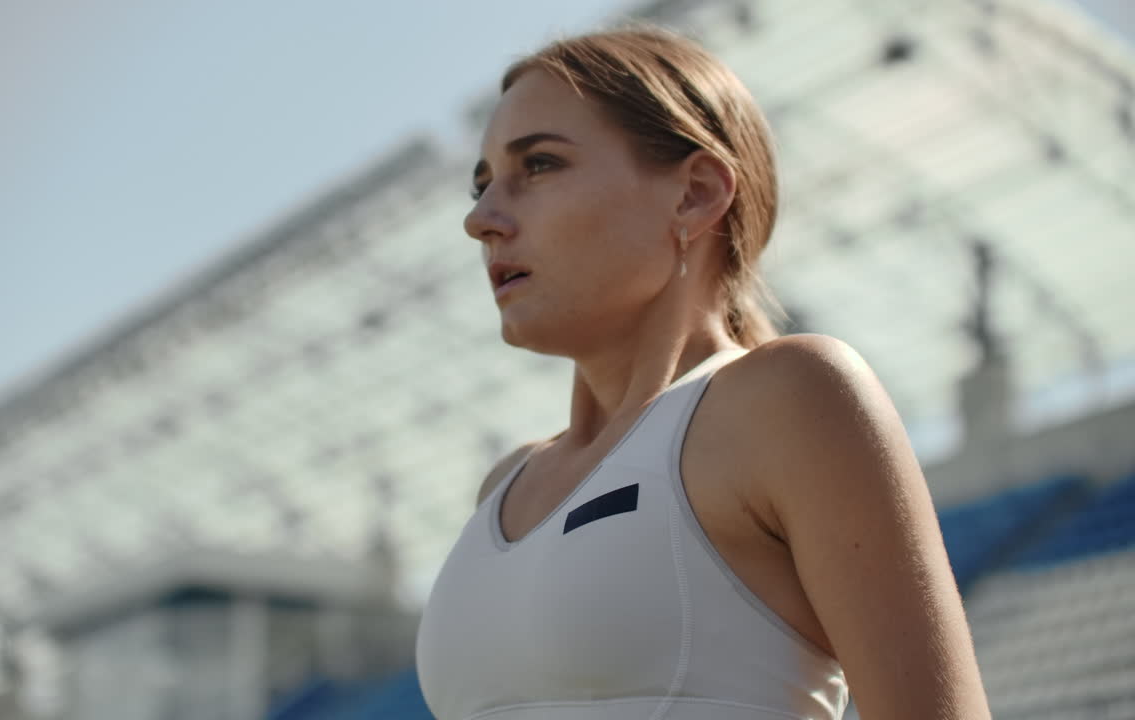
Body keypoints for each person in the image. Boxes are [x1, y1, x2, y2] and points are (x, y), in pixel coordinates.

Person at [415, 24, 991, 720]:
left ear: (694, 195)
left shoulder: (791, 398)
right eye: (481, 185)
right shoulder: (501, 486)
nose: (481, 219)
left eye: (537, 166)